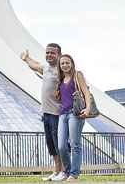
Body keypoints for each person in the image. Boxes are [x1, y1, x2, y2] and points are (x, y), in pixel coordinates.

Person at [21, 43, 66, 181]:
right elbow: (35, 65)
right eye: (47, 52)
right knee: (51, 144)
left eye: (52, 53)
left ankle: (64, 171)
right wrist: (26, 58)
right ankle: (56, 170)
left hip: (57, 113)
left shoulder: (61, 70)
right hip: (45, 113)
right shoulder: (46, 68)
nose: (49, 55)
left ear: (58, 54)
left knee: (59, 143)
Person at [55, 54, 91, 181]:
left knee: (75, 144)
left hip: (75, 114)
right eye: (62, 63)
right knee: (61, 146)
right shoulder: (60, 79)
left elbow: (86, 92)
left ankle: (74, 174)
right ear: (59, 66)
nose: (65, 65)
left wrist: (87, 108)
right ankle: (67, 170)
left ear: (72, 63)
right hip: (62, 114)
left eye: (67, 62)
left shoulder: (77, 75)